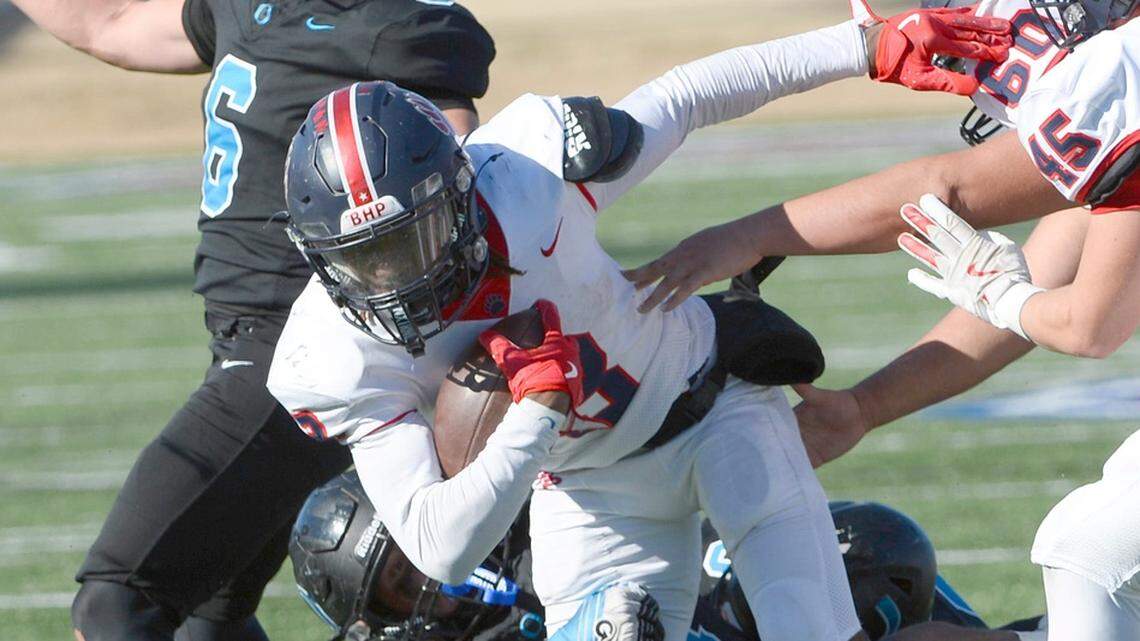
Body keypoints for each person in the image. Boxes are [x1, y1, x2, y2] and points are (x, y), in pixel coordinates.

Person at [266, 9, 1010, 641]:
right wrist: (538, 411)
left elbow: (685, 97)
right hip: (590, 489)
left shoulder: (527, 178)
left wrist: (859, 46)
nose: (401, 277)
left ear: (459, 193)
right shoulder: (336, 355)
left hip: (716, 409)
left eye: (414, 239)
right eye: (368, 259)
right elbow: (444, 547)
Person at [622, 1, 1140, 639]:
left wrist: (752, 235)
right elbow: (1039, 261)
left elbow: (1084, 319)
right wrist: (865, 406)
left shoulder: (1123, 73)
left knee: (1086, 550)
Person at [7, 2, 495, 640]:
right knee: (212, 620)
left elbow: (457, 179)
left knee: (117, 604)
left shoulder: (395, 26)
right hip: (251, 345)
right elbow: (112, 26)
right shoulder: (247, 6)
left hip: (302, 349)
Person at [289, 472, 1032, 641]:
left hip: (710, 603)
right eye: (402, 579)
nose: (431, 573)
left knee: (872, 555)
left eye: (415, 548)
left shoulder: (522, 513)